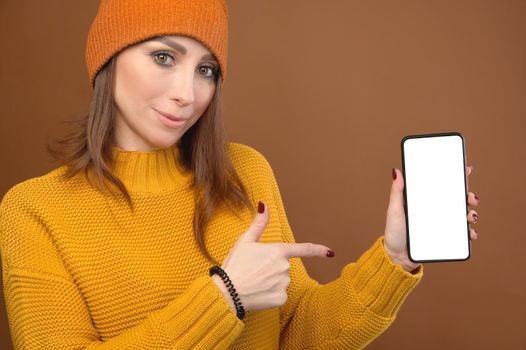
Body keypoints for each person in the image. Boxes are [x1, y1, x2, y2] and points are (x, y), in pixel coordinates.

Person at [0, 0, 481, 349]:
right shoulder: (34, 211)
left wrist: (394, 258)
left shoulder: (245, 171)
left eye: (206, 69)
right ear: (108, 58)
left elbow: (300, 332)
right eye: (164, 57)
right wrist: (224, 296)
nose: (187, 93)